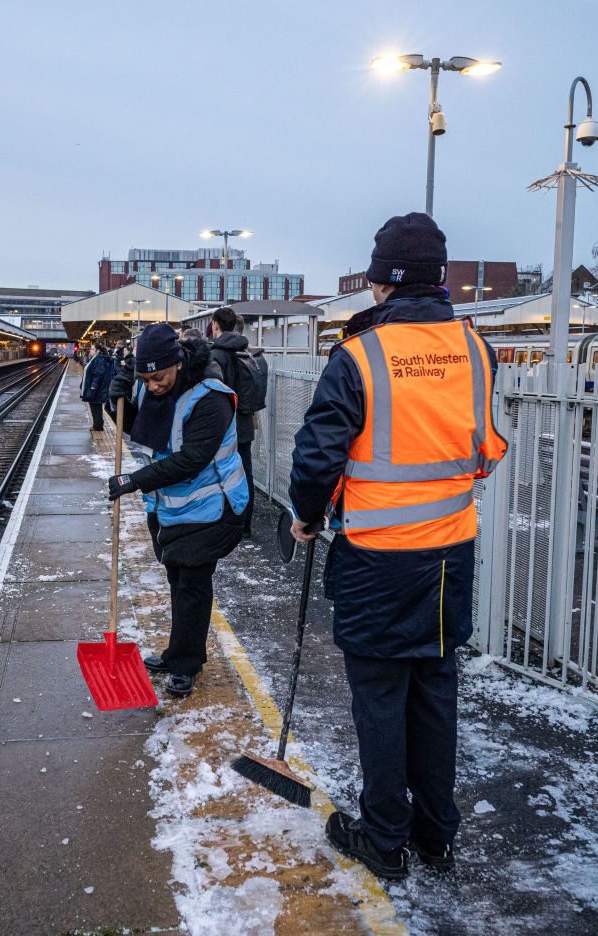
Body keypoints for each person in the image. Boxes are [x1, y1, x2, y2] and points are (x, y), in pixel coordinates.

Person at [288, 213, 507, 880]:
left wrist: (304, 517)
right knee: (435, 693)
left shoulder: (357, 357)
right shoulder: (477, 350)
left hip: (376, 558)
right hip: (450, 555)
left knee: (380, 699)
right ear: (440, 280)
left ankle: (385, 840)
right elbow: (486, 448)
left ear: (381, 282)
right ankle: (437, 834)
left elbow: (318, 457)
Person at [107, 323, 248, 698]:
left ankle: (186, 664)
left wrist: (134, 481)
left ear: (179, 363)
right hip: (170, 506)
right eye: (145, 378)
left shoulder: (212, 398)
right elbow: (140, 430)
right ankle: (176, 652)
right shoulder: (150, 387)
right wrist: (114, 398)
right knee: (177, 579)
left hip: (213, 507)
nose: (153, 386)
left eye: (159, 377)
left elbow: (192, 459)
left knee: (192, 584)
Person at [206, 306, 266, 537]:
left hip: (222, 425)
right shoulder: (247, 351)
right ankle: (245, 526)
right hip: (244, 423)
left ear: (216, 325)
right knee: (245, 474)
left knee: (219, 474)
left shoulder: (215, 355)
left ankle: (224, 524)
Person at [79, 344, 114, 432]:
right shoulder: (94, 358)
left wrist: (94, 385)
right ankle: (97, 425)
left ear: (97, 351)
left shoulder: (99, 359)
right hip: (93, 387)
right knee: (94, 405)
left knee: (95, 406)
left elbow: (99, 373)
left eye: (92, 349)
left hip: (96, 389)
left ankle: (98, 426)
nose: (90, 350)